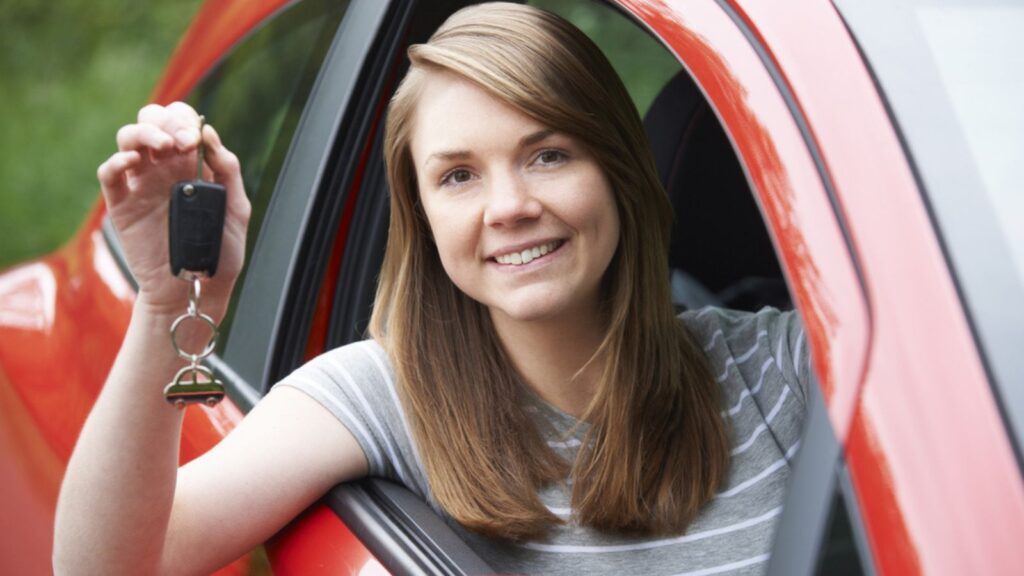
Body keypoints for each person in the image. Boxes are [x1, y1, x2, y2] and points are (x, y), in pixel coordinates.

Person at [53, 3, 811, 574]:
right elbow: (113, 565)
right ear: (421, 217)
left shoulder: (776, 365)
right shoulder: (385, 398)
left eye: (547, 155)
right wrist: (168, 307)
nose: (509, 206)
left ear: (619, 173)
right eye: (458, 176)